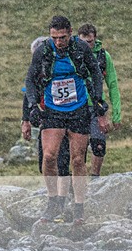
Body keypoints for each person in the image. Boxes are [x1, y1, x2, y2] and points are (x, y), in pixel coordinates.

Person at [25, 15, 108, 225]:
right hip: (53, 110)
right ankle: (53, 202)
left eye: (62, 37)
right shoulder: (44, 50)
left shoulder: (81, 48)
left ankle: (79, 206)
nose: (59, 42)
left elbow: (96, 73)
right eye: (54, 37)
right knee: (49, 156)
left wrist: (98, 100)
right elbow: (30, 79)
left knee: (78, 160)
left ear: (70, 33)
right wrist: (33, 106)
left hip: (78, 109)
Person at [22, 36, 72, 219]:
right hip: (46, 120)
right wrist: (25, 120)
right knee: (45, 160)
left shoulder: (61, 68)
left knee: (63, 161)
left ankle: (61, 201)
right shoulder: (34, 73)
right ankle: (54, 198)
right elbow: (27, 96)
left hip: (64, 117)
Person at [77, 23, 122, 177]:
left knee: (99, 145)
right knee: (79, 149)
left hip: (97, 108)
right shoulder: (73, 55)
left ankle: (95, 178)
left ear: (95, 39)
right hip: (77, 107)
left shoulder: (103, 56)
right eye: (83, 42)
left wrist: (116, 114)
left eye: (90, 42)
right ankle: (78, 181)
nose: (87, 45)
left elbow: (113, 85)